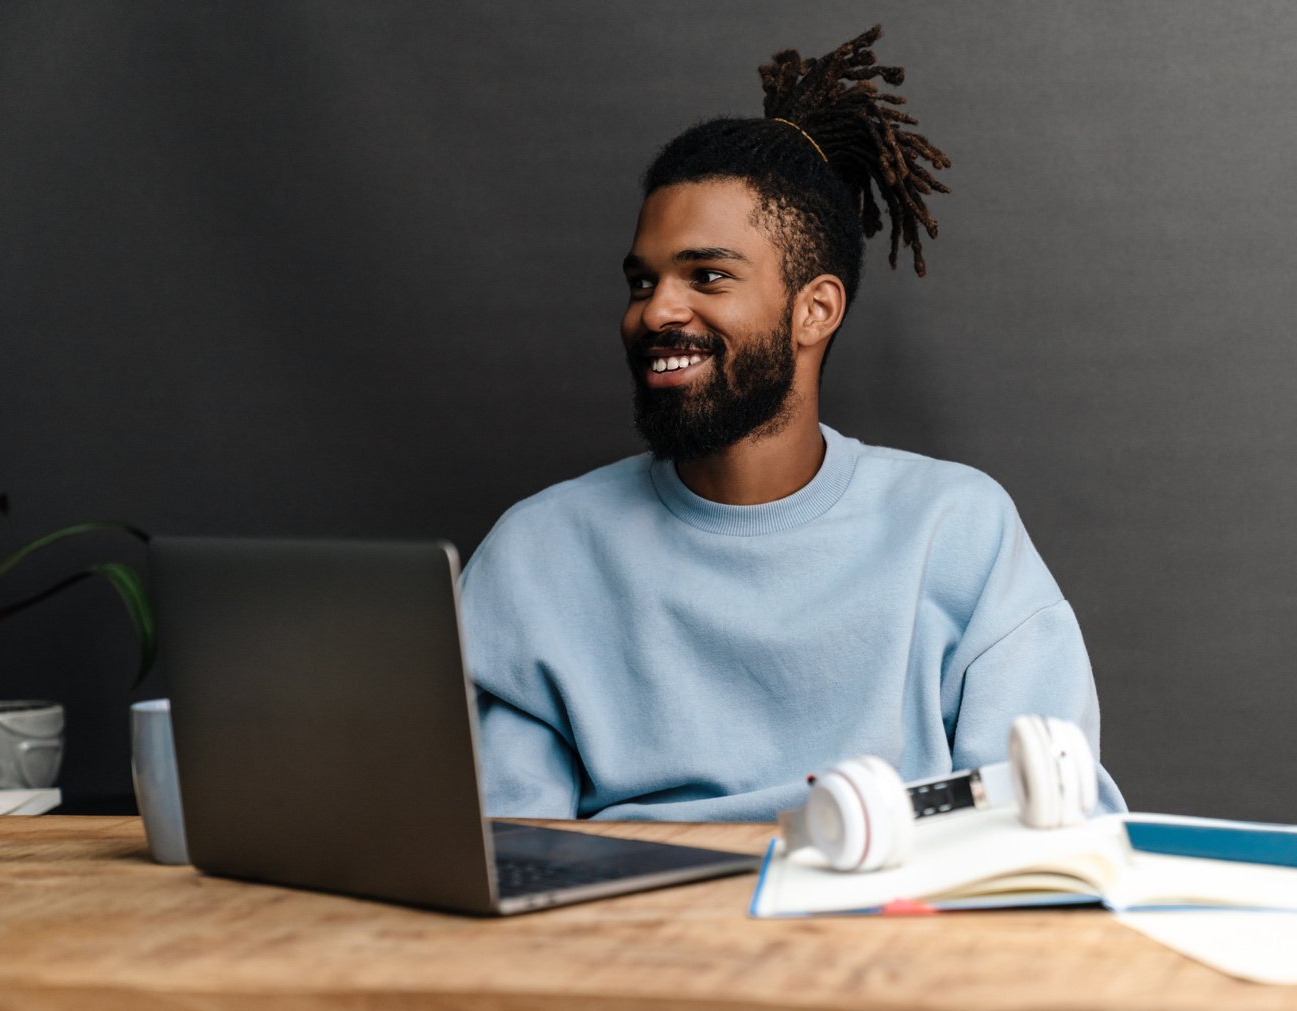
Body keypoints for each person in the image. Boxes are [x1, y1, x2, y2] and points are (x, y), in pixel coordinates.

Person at [462, 26, 1124, 820]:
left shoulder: (956, 531)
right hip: (623, 932)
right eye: (644, 282)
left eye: (707, 275)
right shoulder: (538, 554)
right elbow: (508, 842)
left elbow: (1048, 814)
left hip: (894, 924)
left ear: (814, 309)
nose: (656, 311)